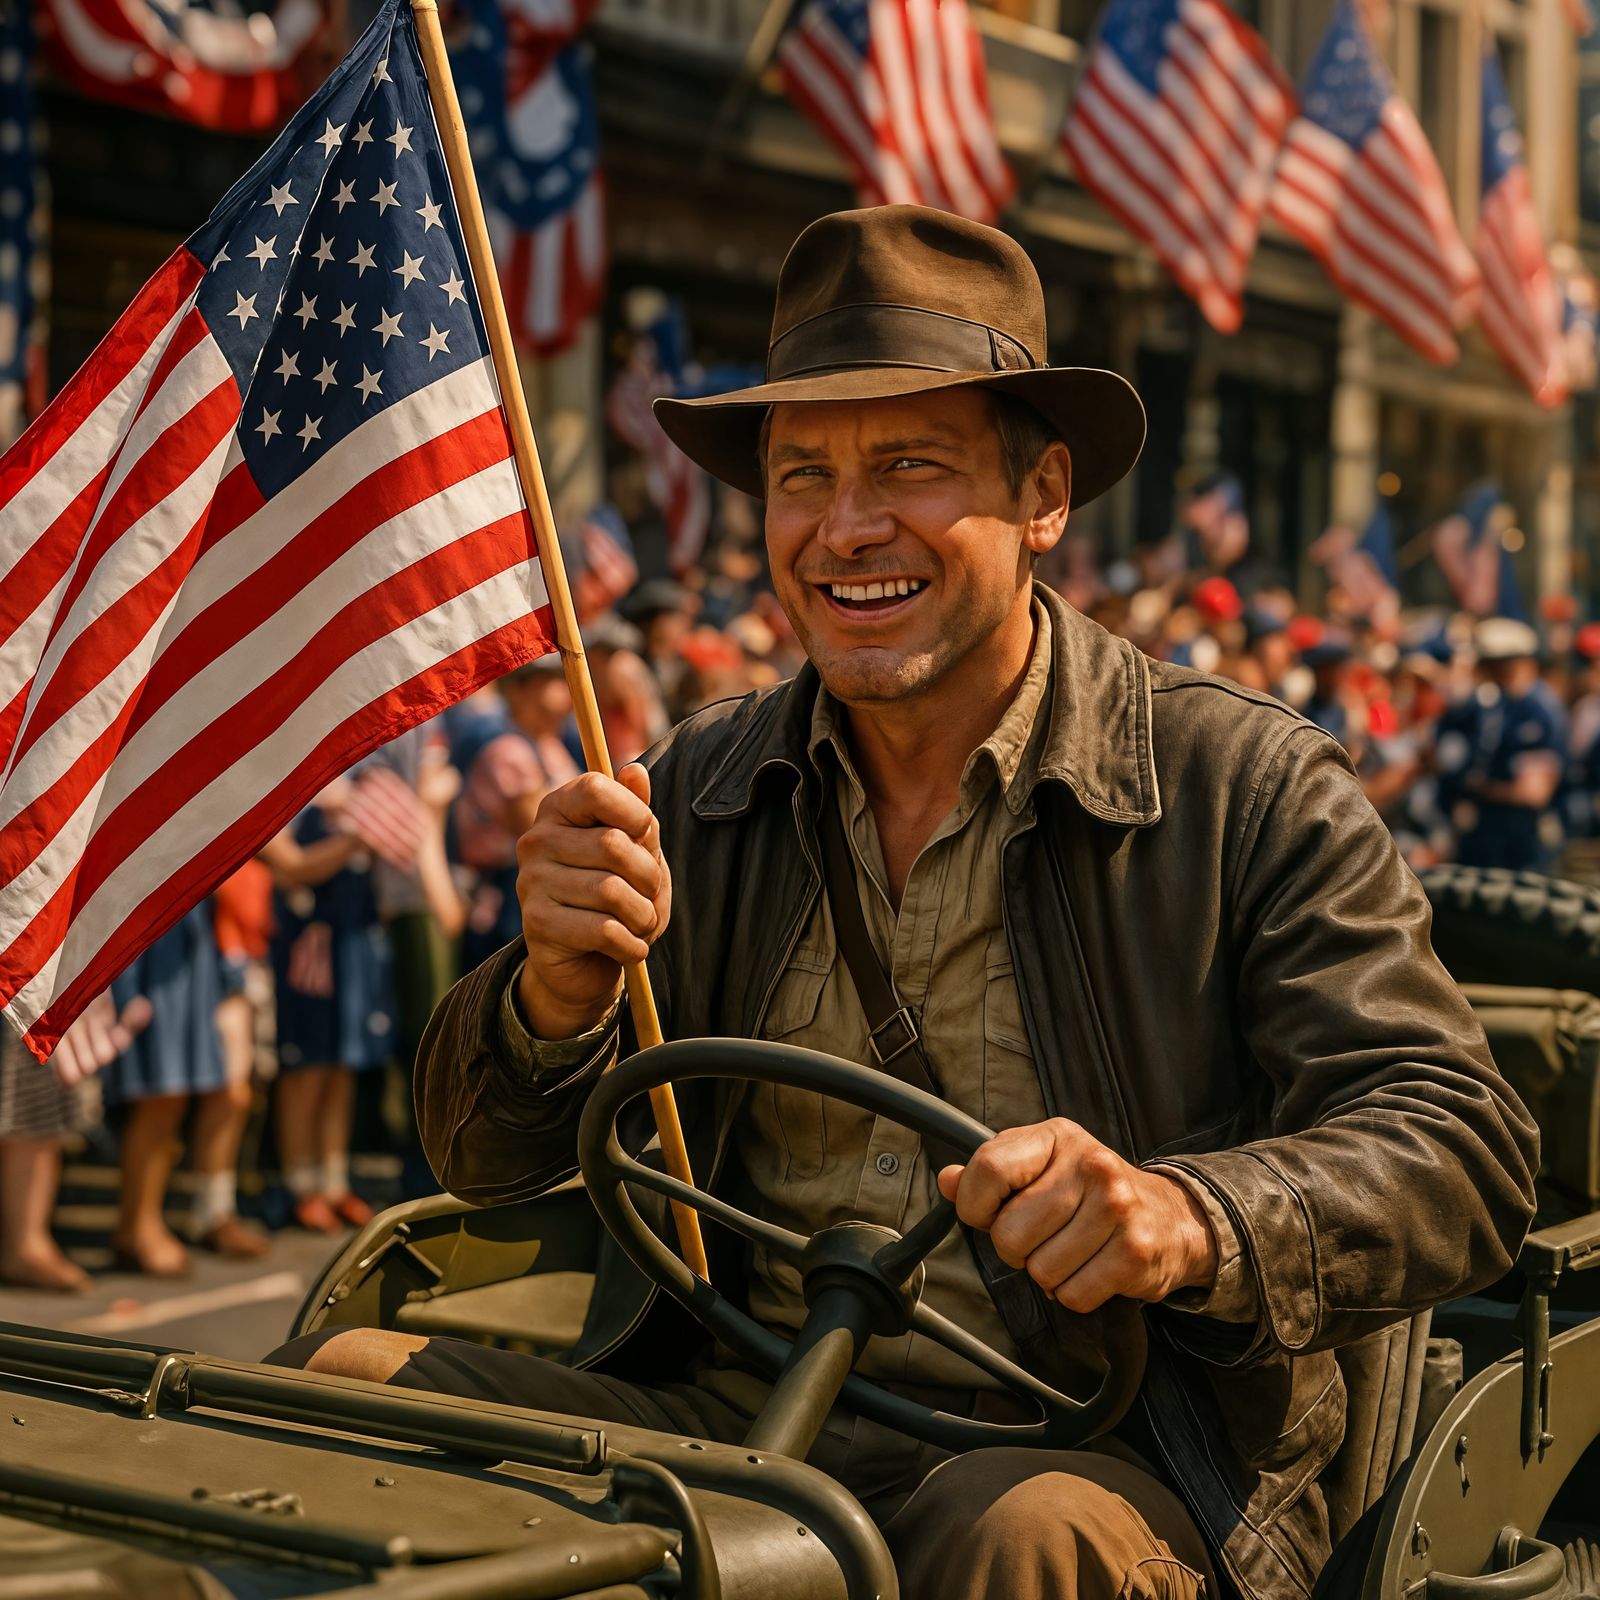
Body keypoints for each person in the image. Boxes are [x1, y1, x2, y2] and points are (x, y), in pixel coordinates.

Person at [271, 207, 1537, 1600]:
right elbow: (475, 1155)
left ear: (1044, 496)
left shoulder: (1242, 783)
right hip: (734, 1409)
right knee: (341, 1387)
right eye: (802, 476)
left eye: (910, 466)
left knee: (1014, 1540)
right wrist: (550, 997)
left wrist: (1184, 1215)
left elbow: (1462, 1143)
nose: (847, 527)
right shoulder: (698, 782)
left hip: (1103, 1448)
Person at [1435, 618, 1567, 872]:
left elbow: (1534, 792)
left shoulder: (1539, 710)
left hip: (1523, 842)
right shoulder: (1493, 704)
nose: (1493, 673)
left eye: (1501, 664)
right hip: (1487, 838)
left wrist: (1477, 787)